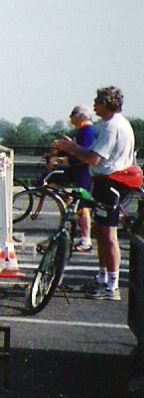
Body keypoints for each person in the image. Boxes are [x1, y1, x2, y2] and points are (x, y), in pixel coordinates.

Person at [53, 86, 140, 301]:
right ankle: (103, 279)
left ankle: (111, 285)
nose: (94, 105)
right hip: (108, 181)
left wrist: (70, 148)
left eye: (97, 102)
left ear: (107, 103)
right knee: (101, 231)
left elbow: (93, 158)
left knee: (108, 234)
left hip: (110, 182)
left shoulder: (111, 127)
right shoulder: (118, 123)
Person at [44, 105, 98, 252]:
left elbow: (83, 156)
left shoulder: (87, 132)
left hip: (85, 172)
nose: (70, 117)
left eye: (73, 114)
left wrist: (60, 160)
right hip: (80, 171)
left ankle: (86, 240)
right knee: (51, 183)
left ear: (81, 116)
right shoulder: (83, 131)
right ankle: (69, 201)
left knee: (82, 206)